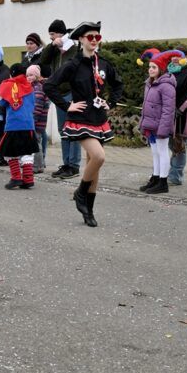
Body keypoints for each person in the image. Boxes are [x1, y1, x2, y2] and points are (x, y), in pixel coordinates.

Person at [44, 22, 124, 227]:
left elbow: (118, 84)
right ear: (81, 39)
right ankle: (80, 192)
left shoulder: (103, 63)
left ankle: (89, 210)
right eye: (90, 37)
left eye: (98, 37)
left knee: (93, 166)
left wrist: (111, 102)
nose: (95, 40)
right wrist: (66, 105)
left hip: (99, 119)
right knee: (99, 157)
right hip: (80, 119)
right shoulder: (73, 64)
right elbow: (49, 85)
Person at [39, 20, 81, 178]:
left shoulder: (74, 48)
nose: (50, 37)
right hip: (59, 94)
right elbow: (43, 60)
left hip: (72, 93)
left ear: (61, 34)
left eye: (53, 34)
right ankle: (66, 163)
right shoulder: (55, 50)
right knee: (62, 130)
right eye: (50, 34)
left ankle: (74, 165)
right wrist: (52, 45)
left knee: (73, 129)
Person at [138, 50, 177, 195]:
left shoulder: (166, 85)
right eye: (149, 67)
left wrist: (163, 129)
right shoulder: (150, 83)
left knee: (162, 152)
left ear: (161, 69)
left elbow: (168, 110)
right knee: (155, 152)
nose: (150, 70)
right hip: (151, 125)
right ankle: (155, 177)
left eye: (154, 67)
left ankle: (163, 182)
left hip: (161, 126)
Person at [0, 63, 40, 189]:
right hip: (28, 124)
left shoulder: (9, 85)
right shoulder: (29, 86)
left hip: (13, 124)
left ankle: (16, 178)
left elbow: (2, 103)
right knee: (27, 151)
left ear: (12, 74)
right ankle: (28, 179)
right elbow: (33, 103)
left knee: (9, 151)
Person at [166, 50, 187, 186]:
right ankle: (169, 173)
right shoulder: (170, 70)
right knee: (171, 144)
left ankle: (176, 176)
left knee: (179, 145)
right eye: (172, 56)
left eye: (178, 56)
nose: (174, 58)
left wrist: (180, 109)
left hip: (185, 114)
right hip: (170, 113)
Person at [27, 64, 50, 174]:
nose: (29, 77)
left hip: (37, 122)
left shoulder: (38, 88)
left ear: (37, 76)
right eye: (27, 75)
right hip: (34, 121)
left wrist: (32, 120)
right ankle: (36, 164)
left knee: (36, 144)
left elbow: (37, 107)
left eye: (31, 75)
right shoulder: (32, 87)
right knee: (34, 143)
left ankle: (38, 166)